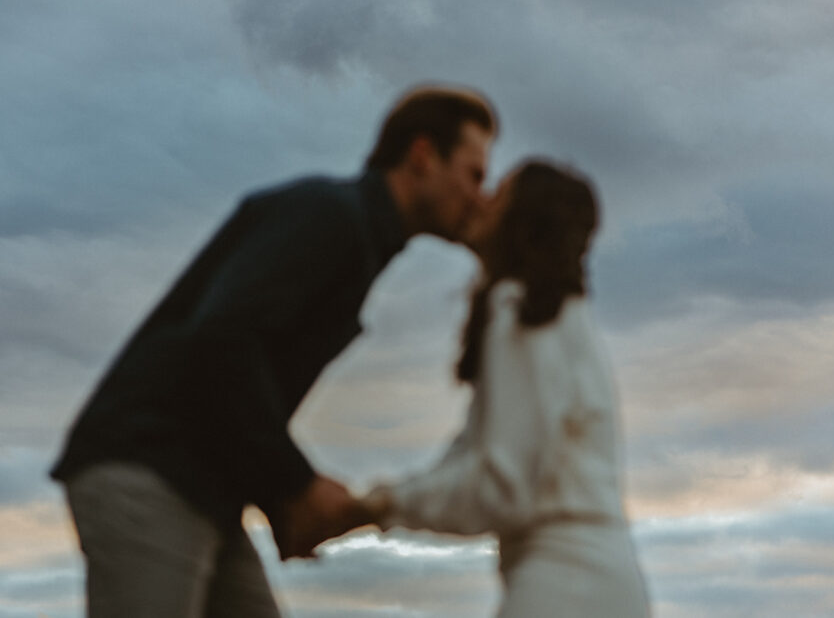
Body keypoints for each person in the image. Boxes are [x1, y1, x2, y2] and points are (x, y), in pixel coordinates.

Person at [49, 84, 498, 618]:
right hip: (149, 468)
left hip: (205, 485)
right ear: (423, 155)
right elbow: (222, 341)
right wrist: (296, 485)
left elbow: (234, 376)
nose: (480, 197)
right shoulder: (332, 216)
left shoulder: (355, 234)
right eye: (474, 174)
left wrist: (282, 502)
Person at [360, 160, 651, 617]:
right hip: (598, 583)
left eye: (498, 192)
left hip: (564, 586)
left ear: (522, 219)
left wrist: (379, 506)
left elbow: (503, 485)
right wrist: (381, 502)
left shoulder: (522, 311)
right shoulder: (558, 319)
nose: (482, 199)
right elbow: (471, 456)